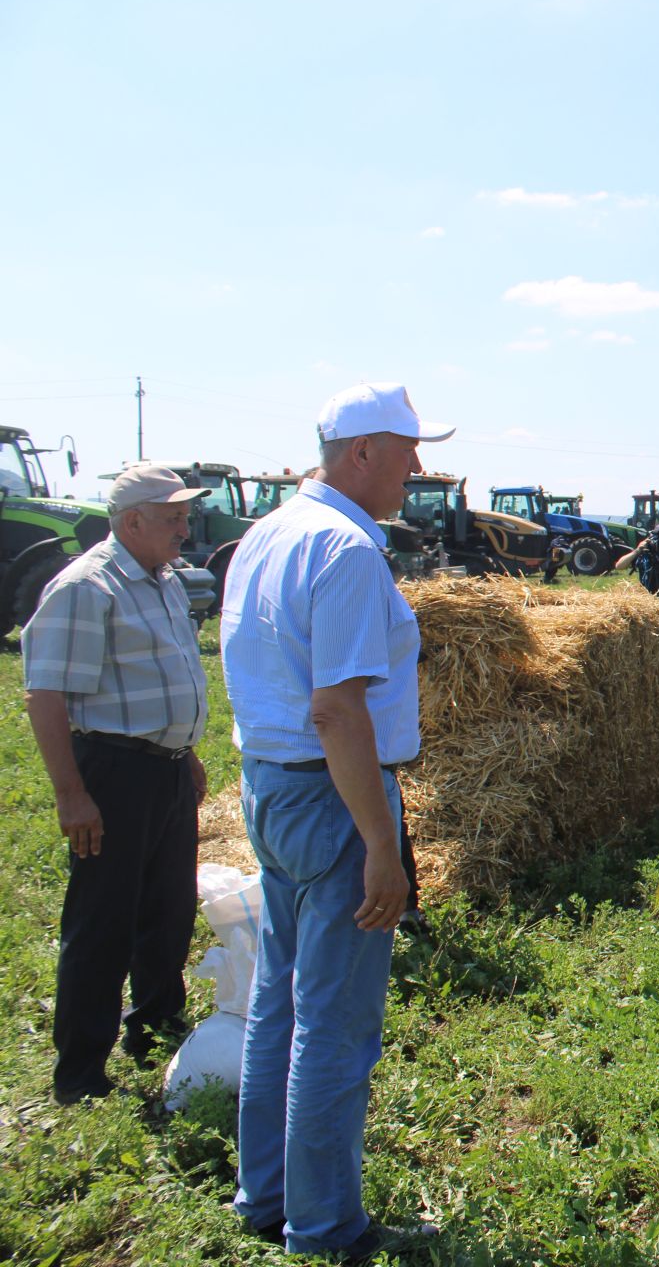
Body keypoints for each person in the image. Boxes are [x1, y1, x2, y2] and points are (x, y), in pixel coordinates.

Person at [220, 382, 449, 1260]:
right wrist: (382, 847)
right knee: (336, 1023)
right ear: (361, 453)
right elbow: (337, 711)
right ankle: (323, 1228)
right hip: (334, 794)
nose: (418, 468)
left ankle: (265, 1195)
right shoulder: (347, 550)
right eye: (407, 449)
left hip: (272, 787)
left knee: (279, 999)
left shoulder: (269, 533)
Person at [22, 465, 212, 1104]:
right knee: (104, 920)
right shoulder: (87, 586)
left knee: (168, 908)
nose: (185, 529)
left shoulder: (162, 582)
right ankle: (79, 1072)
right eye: (173, 518)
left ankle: (155, 1027)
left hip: (163, 770)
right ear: (132, 521)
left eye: (185, 516)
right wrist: (72, 793)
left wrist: (183, 753)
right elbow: (45, 693)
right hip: (112, 774)